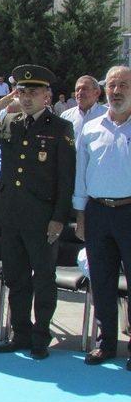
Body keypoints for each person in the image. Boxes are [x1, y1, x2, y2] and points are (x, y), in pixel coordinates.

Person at [0, 64, 76, 360]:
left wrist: (59, 218)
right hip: (12, 215)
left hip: (42, 219)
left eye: (34, 92)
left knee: (43, 278)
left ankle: (41, 335)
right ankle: (21, 333)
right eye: (23, 92)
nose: (27, 98)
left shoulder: (60, 128)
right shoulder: (10, 121)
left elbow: (66, 179)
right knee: (16, 278)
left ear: (47, 96)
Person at [73, 66, 131, 369]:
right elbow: (81, 177)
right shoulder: (92, 128)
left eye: (123, 85)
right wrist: (81, 217)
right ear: (104, 90)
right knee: (103, 282)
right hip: (97, 212)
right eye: (111, 85)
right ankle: (106, 343)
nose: (117, 91)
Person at [61, 75, 108, 140]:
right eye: (77, 90)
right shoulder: (65, 116)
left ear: (97, 93)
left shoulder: (108, 115)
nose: (80, 92)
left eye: (84, 89)